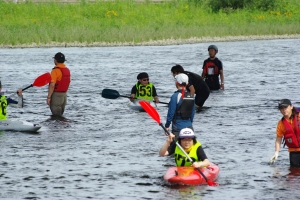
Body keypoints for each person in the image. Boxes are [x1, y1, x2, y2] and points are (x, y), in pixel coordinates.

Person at [270, 99, 300, 167]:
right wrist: (276, 153)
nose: (283, 110)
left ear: (291, 107)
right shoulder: (281, 124)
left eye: (285, 107)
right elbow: (278, 139)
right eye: (281, 108)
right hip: (294, 152)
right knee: (294, 174)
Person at [165, 73, 195, 139]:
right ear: (187, 84)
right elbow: (192, 114)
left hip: (178, 128)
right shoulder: (191, 97)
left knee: (174, 148)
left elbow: (171, 113)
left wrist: (167, 125)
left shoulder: (175, 96)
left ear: (177, 83)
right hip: (189, 127)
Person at [47, 52, 71, 116]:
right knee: (60, 116)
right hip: (64, 96)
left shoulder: (55, 71)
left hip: (56, 96)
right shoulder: (67, 70)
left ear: (55, 60)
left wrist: (49, 97)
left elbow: (52, 85)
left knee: (56, 116)